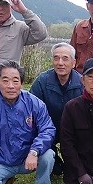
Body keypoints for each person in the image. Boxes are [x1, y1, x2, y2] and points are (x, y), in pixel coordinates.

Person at [29, 42, 84, 175]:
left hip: (73, 131)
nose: (60, 63)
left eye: (65, 59)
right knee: (56, 169)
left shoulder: (82, 83)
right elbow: (30, 109)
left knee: (75, 166)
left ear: (74, 63)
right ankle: (54, 163)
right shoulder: (42, 81)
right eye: (56, 58)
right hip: (47, 129)